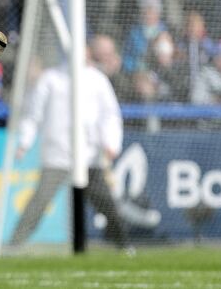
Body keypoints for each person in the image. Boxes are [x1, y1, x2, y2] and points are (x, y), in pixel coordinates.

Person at [9, 55, 130, 251]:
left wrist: (111, 142)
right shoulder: (51, 79)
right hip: (57, 154)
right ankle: (14, 244)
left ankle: (124, 245)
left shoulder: (97, 80)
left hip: (89, 156)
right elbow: (33, 114)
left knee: (106, 203)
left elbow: (110, 114)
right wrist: (25, 141)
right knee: (40, 201)